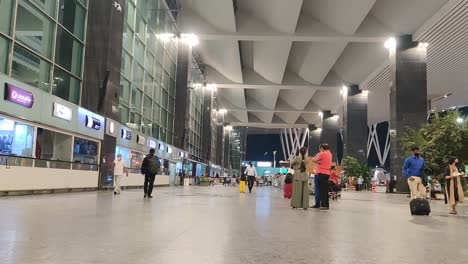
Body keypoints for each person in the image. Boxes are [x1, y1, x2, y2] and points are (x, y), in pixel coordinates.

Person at [313, 143, 332, 210]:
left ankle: (323, 205)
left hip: (321, 173)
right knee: (325, 190)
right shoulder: (330, 154)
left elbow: (314, 160)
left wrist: (318, 162)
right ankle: (326, 205)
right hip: (327, 173)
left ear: (322, 148)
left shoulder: (322, 154)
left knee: (321, 190)